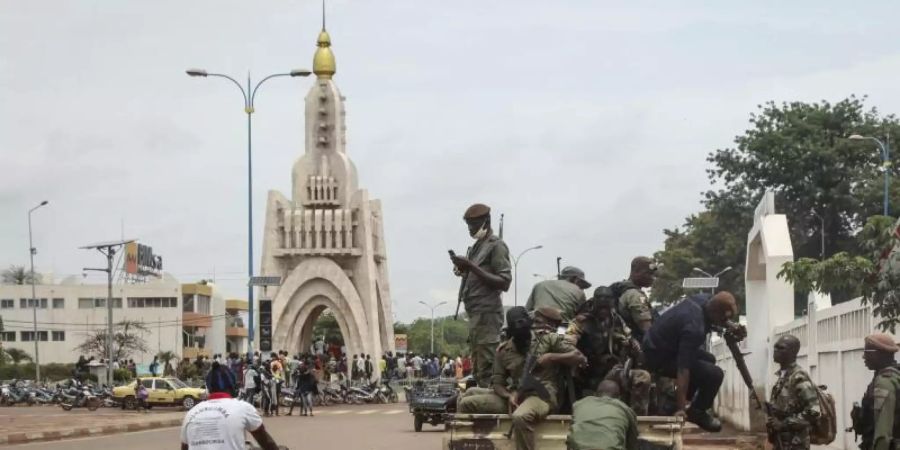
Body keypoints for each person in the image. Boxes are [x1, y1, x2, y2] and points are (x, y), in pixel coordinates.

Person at [642, 291, 738, 432]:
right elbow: (683, 368)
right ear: (715, 312)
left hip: (663, 345)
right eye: (723, 319)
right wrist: (681, 409)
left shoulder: (703, 300)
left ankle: (672, 401)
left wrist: (731, 326)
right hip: (657, 357)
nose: (724, 323)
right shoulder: (694, 327)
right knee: (715, 374)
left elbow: (714, 318)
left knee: (710, 359)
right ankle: (696, 411)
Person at [450, 203, 512, 388]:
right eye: (468, 225)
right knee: (478, 366)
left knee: (488, 365)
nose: (470, 230)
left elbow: (504, 282)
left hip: (488, 313)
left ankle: (492, 405)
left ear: (486, 221)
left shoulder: (496, 246)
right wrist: (464, 269)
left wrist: (471, 266)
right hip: (476, 314)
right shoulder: (477, 247)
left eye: (474, 225)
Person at [511, 307, 587, 450]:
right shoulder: (514, 341)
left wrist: (551, 357)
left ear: (550, 324)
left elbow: (580, 358)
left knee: (520, 417)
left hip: (542, 393)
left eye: (539, 321)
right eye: (534, 321)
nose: (535, 324)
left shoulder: (550, 338)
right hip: (519, 391)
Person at [567, 287, 650, 415]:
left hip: (613, 370)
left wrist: (632, 344)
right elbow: (568, 343)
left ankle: (636, 419)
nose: (604, 311)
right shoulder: (582, 321)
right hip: (589, 372)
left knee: (642, 377)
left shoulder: (616, 319)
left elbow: (629, 337)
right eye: (601, 306)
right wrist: (577, 354)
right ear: (594, 302)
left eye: (607, 306)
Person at [181, 361, 284, 450]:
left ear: (209, 387)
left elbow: (185, 447)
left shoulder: (191, 414)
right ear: (232, 386)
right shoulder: (243, 408)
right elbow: (266, 442)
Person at [457, 306, 530, 414]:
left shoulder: (541, 344)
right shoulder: (504, 351)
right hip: (512, 397)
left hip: (530, 398)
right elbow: (497, 384)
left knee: (466, 403)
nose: (521, 329)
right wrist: (508, 395)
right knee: (469, 392)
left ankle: (466, 428)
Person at [767, 334, 820, 450]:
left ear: (792, 352)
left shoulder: (798, 376)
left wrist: (783, 424)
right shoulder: (783, 376)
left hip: (795, 444)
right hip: (781, 442)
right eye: (775, 347)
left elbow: (814, 411)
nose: (775, 350)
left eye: (781, 348)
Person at [852, 333, 900, 450]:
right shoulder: (893, 376)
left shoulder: (884, 382)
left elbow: (882, 435)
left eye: (866, 352)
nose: (864, 356)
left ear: (878, 354)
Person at [566, 380, 638, 450]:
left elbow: (571, 436)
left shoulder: (579, 405)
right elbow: (633, 442)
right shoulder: (625, 409)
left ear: (595, 394)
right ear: (619, 398)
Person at [611, 256, 659, 343]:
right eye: (648, 273)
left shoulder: (622, 289)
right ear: (636, 271)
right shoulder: (635, 295)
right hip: (634, 348)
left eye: (653, 274)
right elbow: (647, 330)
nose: (652, 278)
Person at [525, 266, 590, 323]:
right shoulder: (579, 291)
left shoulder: (539, 285)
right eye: (581, 284)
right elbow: (582, 316)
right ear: (574, 279)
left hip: (538, 324)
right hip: (563, 328)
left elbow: (527, 310)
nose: (581, 288)